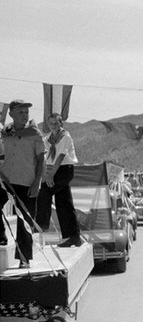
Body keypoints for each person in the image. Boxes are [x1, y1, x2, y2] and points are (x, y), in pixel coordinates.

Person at [0, 100, 45, 266]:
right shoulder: (5, 133)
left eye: (26, 112)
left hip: (27, 182)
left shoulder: (34, 133)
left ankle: (24, 260)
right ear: (11, 114)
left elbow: (41, 159)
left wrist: (37, 183)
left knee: (25, 221)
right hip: (7, 181)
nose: (25, 116)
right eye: (21, 112)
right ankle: (1, 237)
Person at [35, 112, 82, 247]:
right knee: (64, 203)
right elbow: (45, 157)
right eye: (51, 123)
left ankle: (41, 224)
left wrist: (50, 177)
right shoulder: (48, 139)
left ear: (61, 123)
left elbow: (60, 156)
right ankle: (72, 236)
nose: (54, 126)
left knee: (45, 191)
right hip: (52, 169)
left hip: (63, 169)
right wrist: (46, 174)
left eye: (56, 123)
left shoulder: (65, 136)